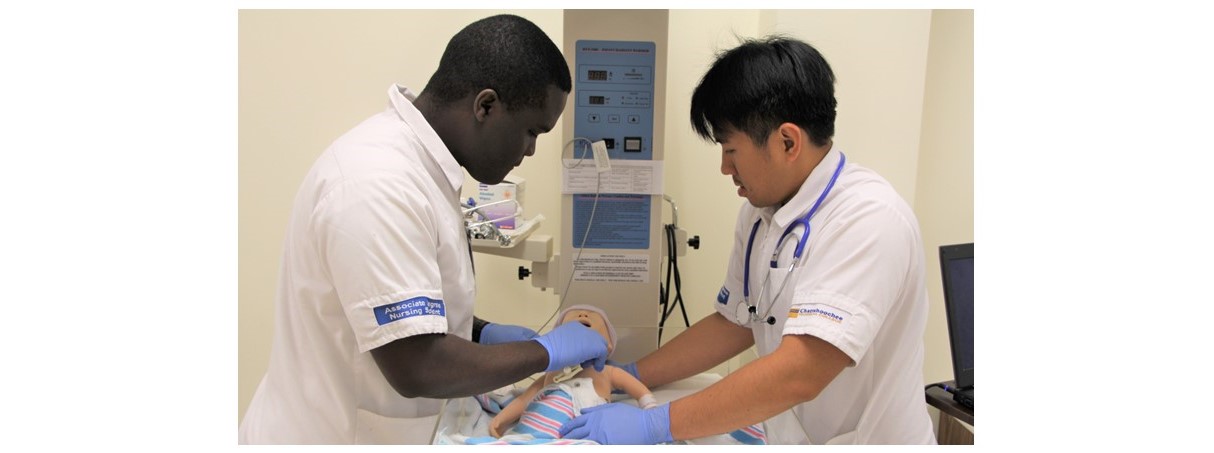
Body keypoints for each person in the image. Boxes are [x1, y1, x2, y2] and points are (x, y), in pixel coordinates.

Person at [239, 14, 609, 444]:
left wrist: (480, 333)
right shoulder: (376, 185)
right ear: (485, 106)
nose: (530, 150)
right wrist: (546, 352)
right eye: (531, 131)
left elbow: (405, 308)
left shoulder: (424, 170)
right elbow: (419, 366)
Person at [559, 36, 937, 444]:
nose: (725, 167)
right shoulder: (761, 213)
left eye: (731, 150)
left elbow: (801, 371)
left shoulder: (869, 219)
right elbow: (736, 322)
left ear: (787, 142)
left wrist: (655, 424)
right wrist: (630, 375)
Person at [487, 305, 657, 440]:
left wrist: (651, 412)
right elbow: (525, 399)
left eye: (592, 316)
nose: (583, 314)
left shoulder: (606, 372)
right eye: (574, 316)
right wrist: (500, 421)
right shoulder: (551, 372)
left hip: (577, 434)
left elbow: (640, 391)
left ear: (609, 345)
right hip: (533, 433)